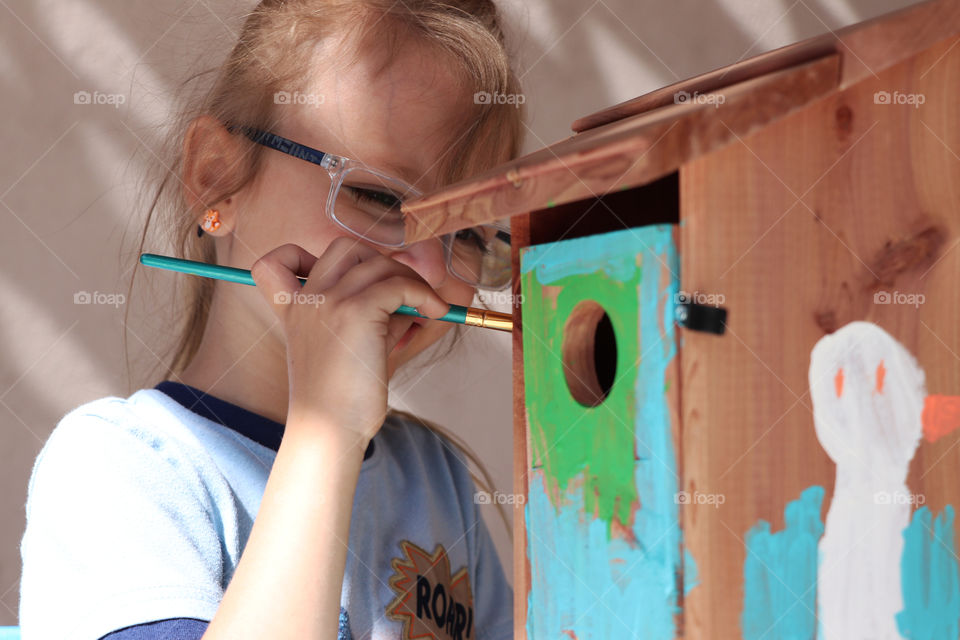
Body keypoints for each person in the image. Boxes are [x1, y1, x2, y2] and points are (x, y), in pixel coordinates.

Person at [18, 1, 525, 638]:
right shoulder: (120, 466)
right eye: (378, 195)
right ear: (216, 179)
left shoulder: (436, 478)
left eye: (471, 231)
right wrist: (326, 431)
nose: (426, 264)